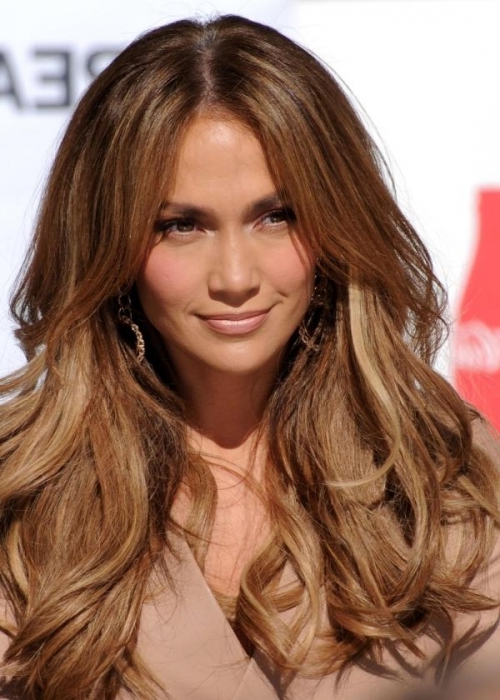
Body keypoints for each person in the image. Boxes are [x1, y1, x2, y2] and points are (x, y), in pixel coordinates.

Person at [0, 14, 499, 700]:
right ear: (108, 245)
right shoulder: (25, 498)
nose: (235, 277)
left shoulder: (441, 472)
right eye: (181, 226)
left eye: (276, 216)